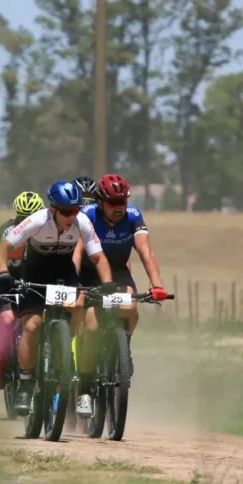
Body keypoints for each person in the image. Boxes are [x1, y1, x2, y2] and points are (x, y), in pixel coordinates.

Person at [0, 181, 116, 416]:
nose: (72, 216)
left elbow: (99, 257)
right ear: (53, 209)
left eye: (75, 210)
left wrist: (108, 283)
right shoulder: (38, 220)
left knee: (78, 304)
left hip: (64, 273)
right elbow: (2, 248)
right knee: (32, 326)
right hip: (35, 274)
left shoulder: (82, 222)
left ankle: (65, 344)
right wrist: (3, 273)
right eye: (66, 211)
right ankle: (26, 386)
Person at [72, 173, 168, 417]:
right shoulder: (87, 215)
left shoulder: (133, 216)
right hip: (89, 274)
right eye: (113, 203)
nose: (119, 208)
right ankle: (85, 391)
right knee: (91, 328)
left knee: (130, 308)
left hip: (118, 273)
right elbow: (77, 251)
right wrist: (73, 280)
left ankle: (123, 349)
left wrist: (156, 285)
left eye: (122, 202)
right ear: (100, 202)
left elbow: (146, 251)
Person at [0, 191, 46, 390]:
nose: (26, 221)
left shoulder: (47, 228)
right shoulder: (6, 230)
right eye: (22, 217)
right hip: (6, 278)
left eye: (30, 216)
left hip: (32, 279)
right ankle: (0, 363)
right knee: (8, 320)